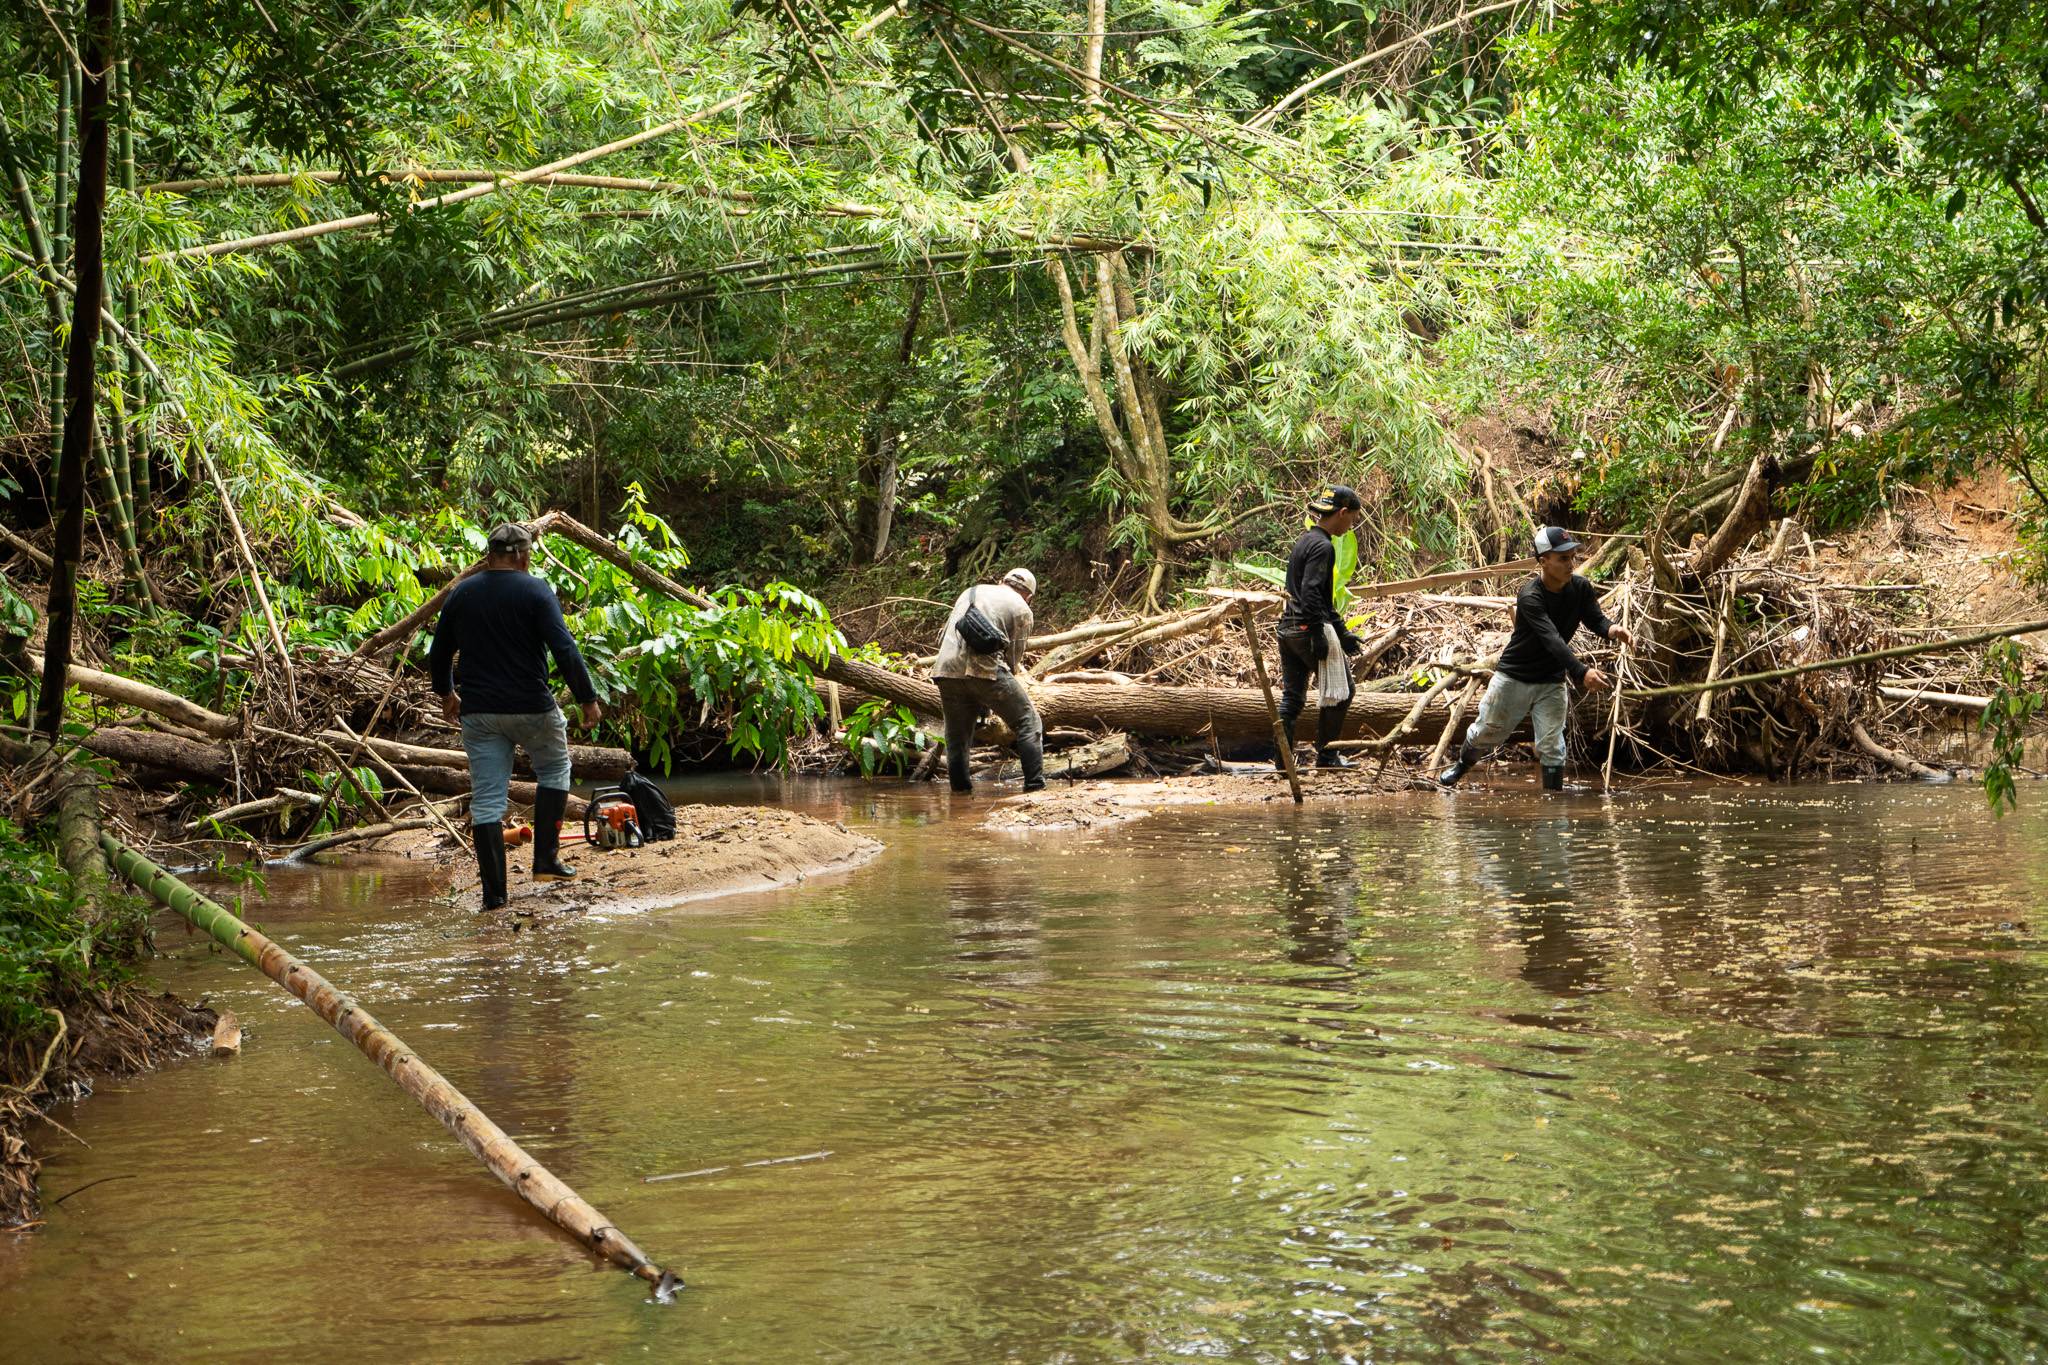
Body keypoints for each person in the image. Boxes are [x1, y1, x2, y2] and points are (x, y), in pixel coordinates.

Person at [428, 523, 603, 910]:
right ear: (524, 556)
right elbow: (564, 649)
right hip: (531, 707)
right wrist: (587, 698)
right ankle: (546, 860)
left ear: (488, 554)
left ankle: (495, 896)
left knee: (489, 799)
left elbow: (438, 654)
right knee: (555, 769)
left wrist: (447, 694)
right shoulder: (536, 590)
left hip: (480, 712)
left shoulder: (462, 593)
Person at [1439, 526, 1633, 791]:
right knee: (1488, 731)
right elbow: (1551, 639)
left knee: (1552, 744)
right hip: (1514, 676)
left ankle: (1552, 800)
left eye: (1573, 557)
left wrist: (1613, 630)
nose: (1571, 564)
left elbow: (1595, 619)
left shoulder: (1580, 587)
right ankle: (1461, 768)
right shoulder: (1530, 596)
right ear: (1543, 561)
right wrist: (1581, 672)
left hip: (1551, 680)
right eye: (1563, 558)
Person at [1275, 485, 1366, 770]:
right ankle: (1327, 758)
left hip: (1287, 628)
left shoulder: (1305, 540)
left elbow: (1317, 597)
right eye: (1352, 518)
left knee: (1292, 697)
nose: (1351, 524)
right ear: (1342, 513)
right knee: (1343, 692)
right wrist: (1317, 633)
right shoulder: (1324, 546)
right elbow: (1312, 593)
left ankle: (1283, 762)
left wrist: (1342, 632)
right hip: (1306, 629)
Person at [932, 567, 1044, 795]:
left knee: (957, 739)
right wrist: (990, 697)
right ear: (1029, 597)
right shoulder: (1023, 609)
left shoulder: (970, 592)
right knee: (1029, 722)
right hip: (984, 670)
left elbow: (947, 635)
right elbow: (1012, 661)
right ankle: (1035, 789)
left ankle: (960, 798)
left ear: (1002, 581)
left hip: (945, 670)